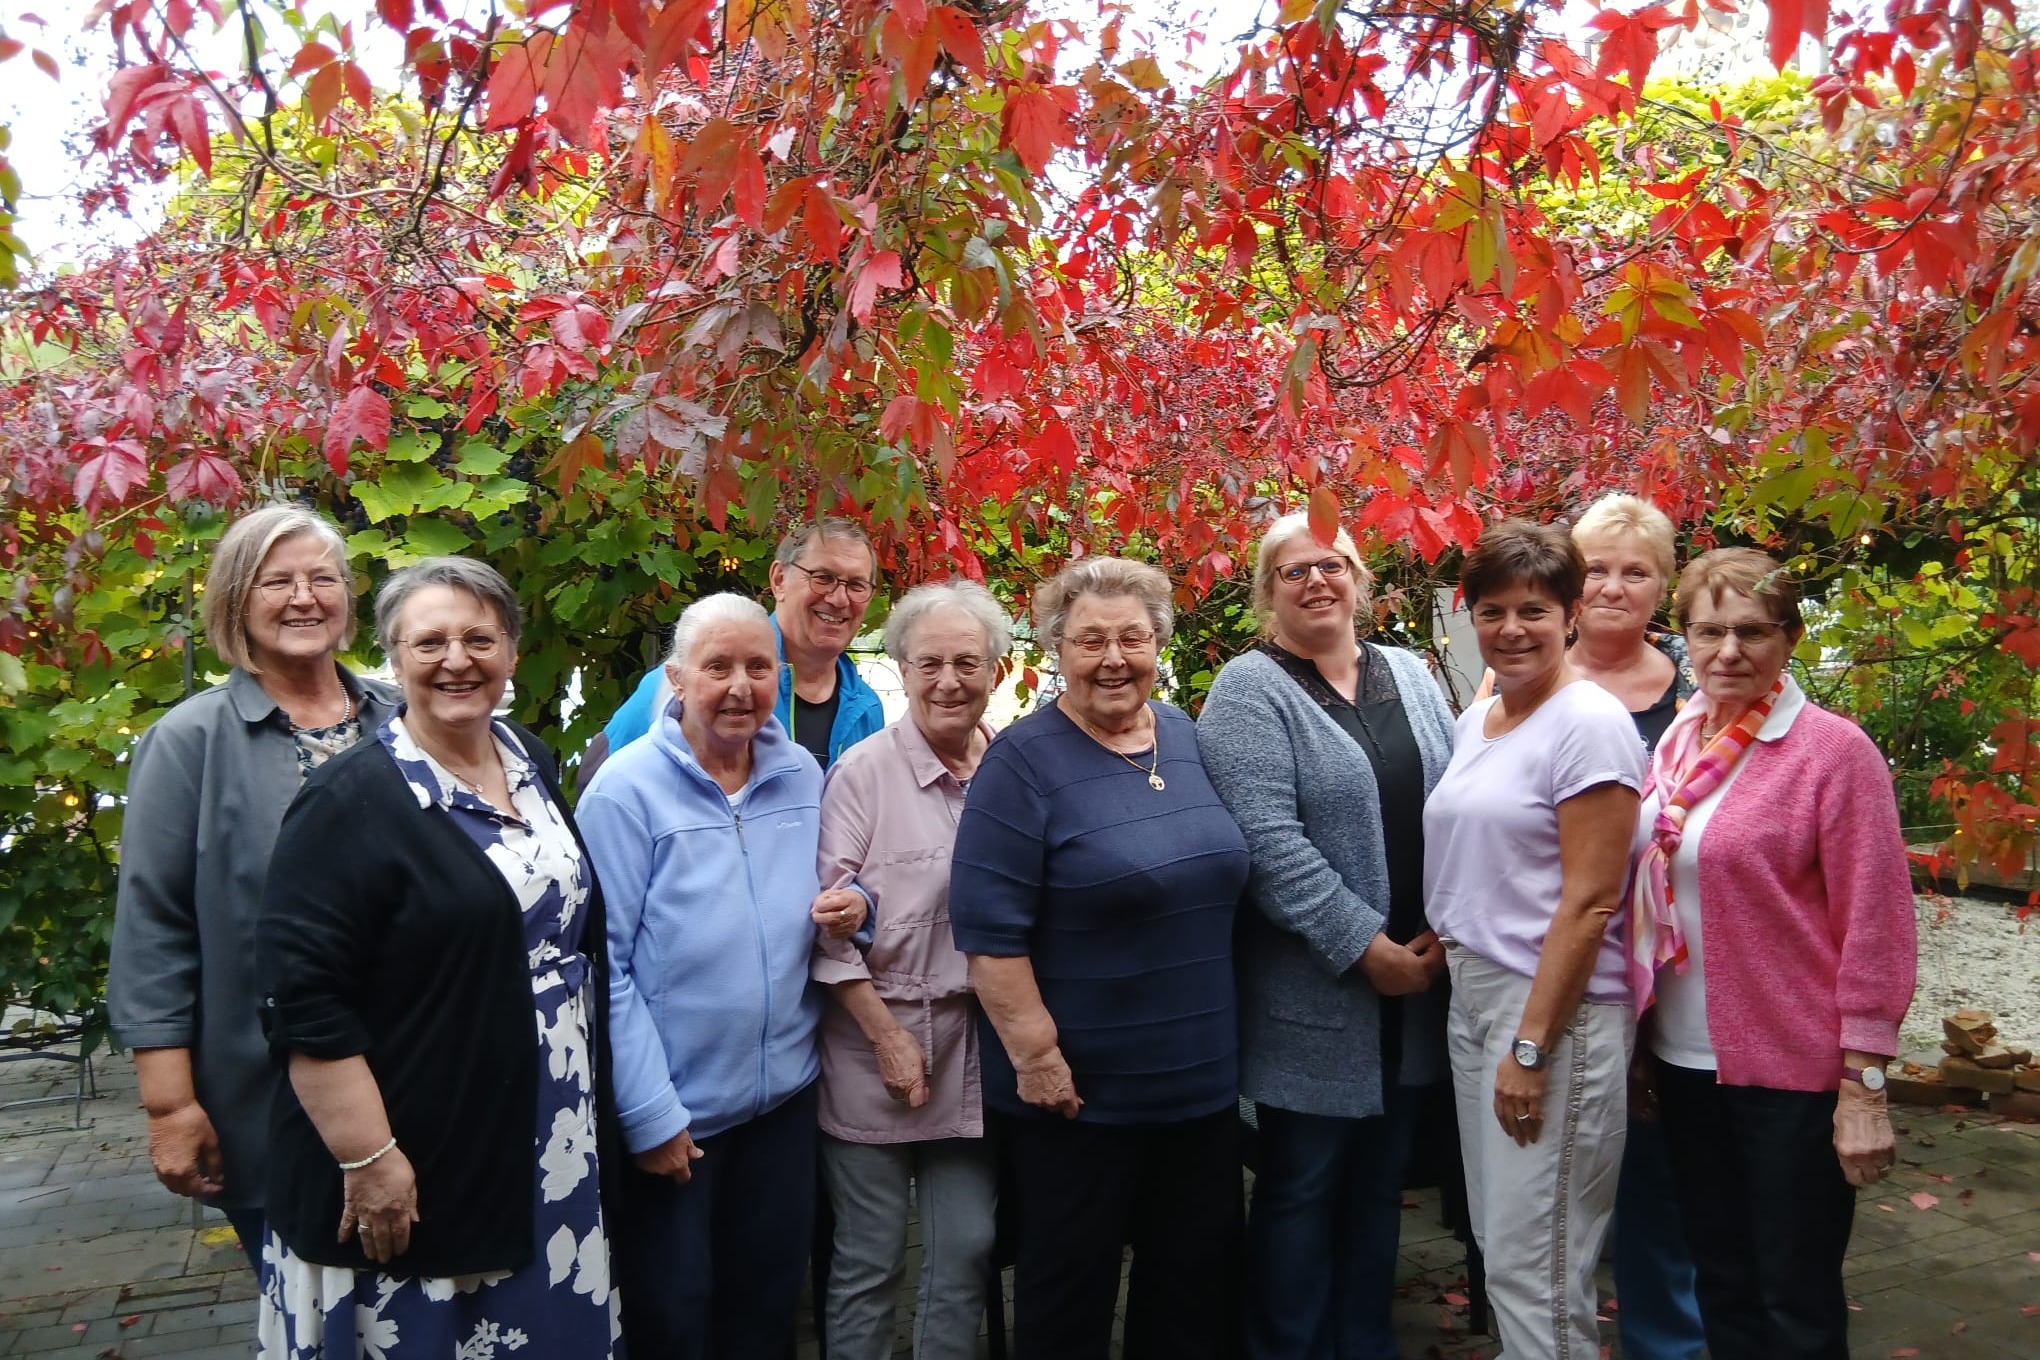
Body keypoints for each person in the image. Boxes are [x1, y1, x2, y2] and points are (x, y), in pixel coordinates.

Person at [255, 557, 618, 1357]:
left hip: (544, 1130)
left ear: (513, 654)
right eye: (429, 642)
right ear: (393, 658)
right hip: (417, 1141)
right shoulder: (350, 802)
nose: (457, 660)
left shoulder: (527, 759)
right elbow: (303, 1000)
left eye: (479, 638)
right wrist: (372, 1159)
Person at [949, 557, 1251, 1360]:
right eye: (1090, 641)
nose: (1114, 657)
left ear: (1159, 644)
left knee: (1191, 1294)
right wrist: (1039, 1058)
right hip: (1081, 1100)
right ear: (1055, 650)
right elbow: (988, 936)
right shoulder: (1020, 764)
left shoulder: (1188, 738)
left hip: (1200, 1086)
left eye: (1132, 637)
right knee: (1067, 1300)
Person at [1630, 548, 1915, 1360]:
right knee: (1721, 1283)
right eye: (1708, 630)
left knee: (1794, 1298)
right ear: (1681, 635)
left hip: (1790, 1074)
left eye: (1751, 631)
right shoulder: (1682, 741)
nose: (1728, 652)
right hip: (1685, 1066)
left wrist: (1864, 1087)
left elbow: (1878, 926)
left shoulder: (1833, 751)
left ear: (1789, 639)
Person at [1197, 511, 1457, 1360]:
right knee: (1300, 1191)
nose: (1318, 581)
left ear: (1360, 580)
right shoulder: (1249, 687)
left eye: (1334, 564)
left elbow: (1458, 806)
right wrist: (1362, 945)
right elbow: (1264, 841)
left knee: (1380, 1190)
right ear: (1268, 592)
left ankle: (1363, 1343)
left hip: (1417, 989)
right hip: (1315, 1000)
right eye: (1294, 569)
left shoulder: (1413, 674)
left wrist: (1447, 929)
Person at [111, 505, 397, 1272]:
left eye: (323, 578)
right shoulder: (190, 741)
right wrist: (169, 1106)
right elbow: (153, 928)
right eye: (278, 581)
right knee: (309, 1307)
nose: (304, 597)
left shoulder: (401, 719)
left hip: (416, 1074)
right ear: (237, 600)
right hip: (268, 1099)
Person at [578, 592, 864, 1360]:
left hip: (785, 1102)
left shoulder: (802, 772)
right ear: (676, 679)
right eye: (718, 667)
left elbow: (841, 879)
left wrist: (854, 902)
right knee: (675, 1313)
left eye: (757, 666)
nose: (740, 686)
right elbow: (608, 966)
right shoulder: (625, 792)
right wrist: (647, 1112)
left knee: (766, 1309)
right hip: (681, 1117)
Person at [1421, 520, 1645, 1360]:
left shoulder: (1587, 722)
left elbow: (1590, 901)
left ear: (1572, 614)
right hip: (1475, 996)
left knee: (1536, 1263)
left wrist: (1531, 1044)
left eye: (1533, 611)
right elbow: (1482, 859)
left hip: (1549, 1008)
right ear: (1467, 614)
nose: (1511, 629)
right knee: (1500, 1239)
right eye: (1491, 611)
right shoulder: (1481, 721)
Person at [813, 579, 1011, 1360]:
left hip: (973, 1046)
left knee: (967, 1244)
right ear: (901, 667)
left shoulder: (1009, 766)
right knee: (870, 1256)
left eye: (967, 662)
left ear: (996, 670)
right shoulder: (862, 773)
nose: (948, 681)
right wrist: (889, 1039)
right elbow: (828, 927)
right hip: (873, 1040)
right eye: (928, 663)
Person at [1570, 494, 1704, 1360]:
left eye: (1637, 571)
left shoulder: (1698, 685)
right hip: (1565, 955)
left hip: (1674, 961)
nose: (1614, 587)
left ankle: (1667, 1339)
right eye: (1596, 569)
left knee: (1663, 1164)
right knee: (1566, 1172)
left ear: (1663, 588)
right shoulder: (1525, 668)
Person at [590, 517, 885, 777]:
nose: (839, 599)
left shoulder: (867, 710)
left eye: (857, 585)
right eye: (823, 578)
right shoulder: (691, 683)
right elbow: (604, 785)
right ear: (779, 580)